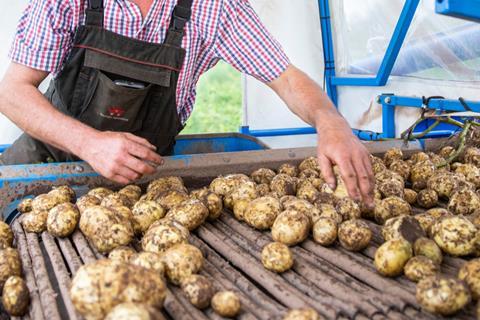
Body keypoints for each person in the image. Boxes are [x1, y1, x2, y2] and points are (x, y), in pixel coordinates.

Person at [0, 0, 374, 207]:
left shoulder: (214, 9)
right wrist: (88, 143)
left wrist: (332, 124)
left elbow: (287, 78)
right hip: (44, 171)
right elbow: (12, 92)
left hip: (141, 190)